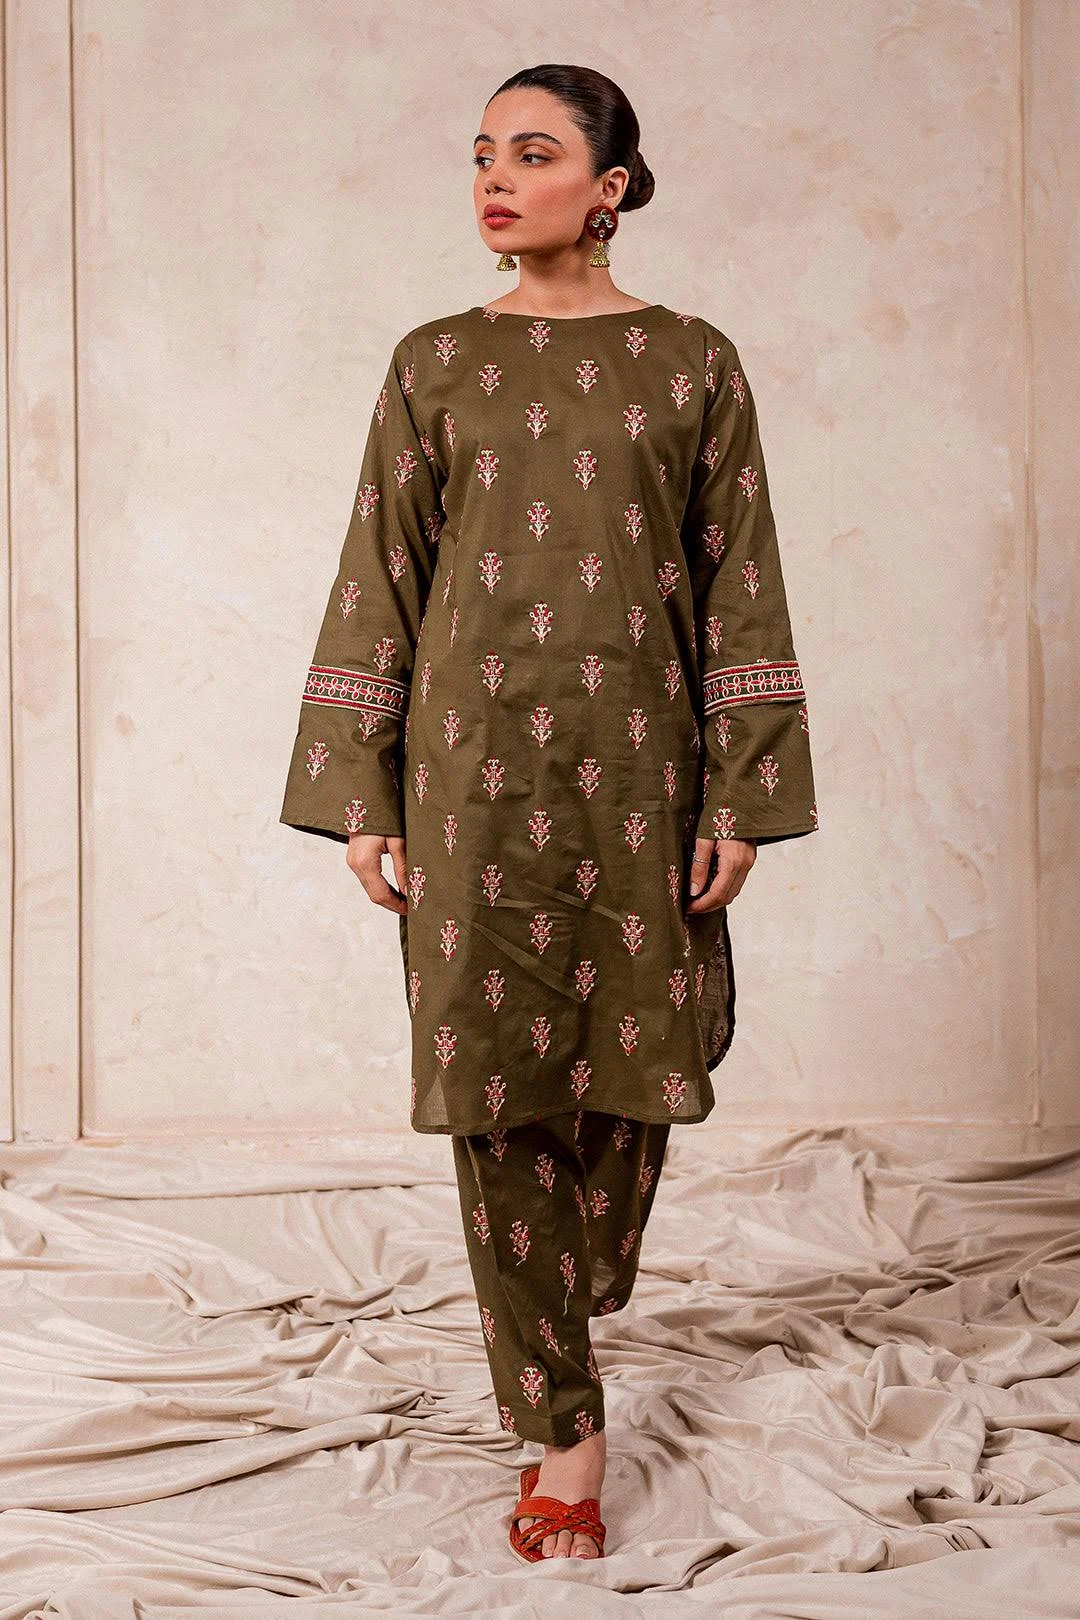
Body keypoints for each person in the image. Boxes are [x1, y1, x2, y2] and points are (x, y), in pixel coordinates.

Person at [280, 62, 819, 1563]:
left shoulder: (692, 362)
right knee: (492, 1083)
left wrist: (744, 787)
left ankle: (568, 1297)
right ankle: (563, 1423)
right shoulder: (435, 361)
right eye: (481, 157)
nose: (495, 182)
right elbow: (380, 571)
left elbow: (741, 577)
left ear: (612, 187)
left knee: (640, 1072)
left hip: (641, 774)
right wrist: (362, 787)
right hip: (471, 776)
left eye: (532, 154)